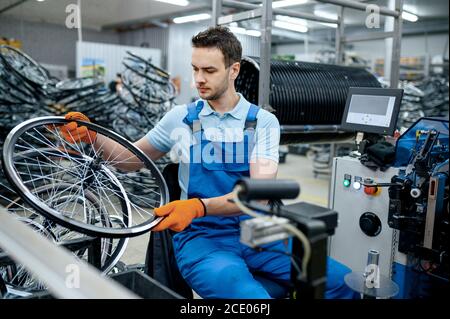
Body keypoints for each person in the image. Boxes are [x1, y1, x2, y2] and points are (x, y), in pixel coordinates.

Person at [60, 26, 356, 299]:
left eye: (209, 70)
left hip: (258, 233)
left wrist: (199, 205)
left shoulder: (263, 122)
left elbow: (260, 194)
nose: (199, 79)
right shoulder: (182, 118)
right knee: (251, 299)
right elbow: (130, 160)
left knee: (344, 282)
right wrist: (92, 137)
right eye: (195, 69)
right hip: (203, 239)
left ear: (233, 70)